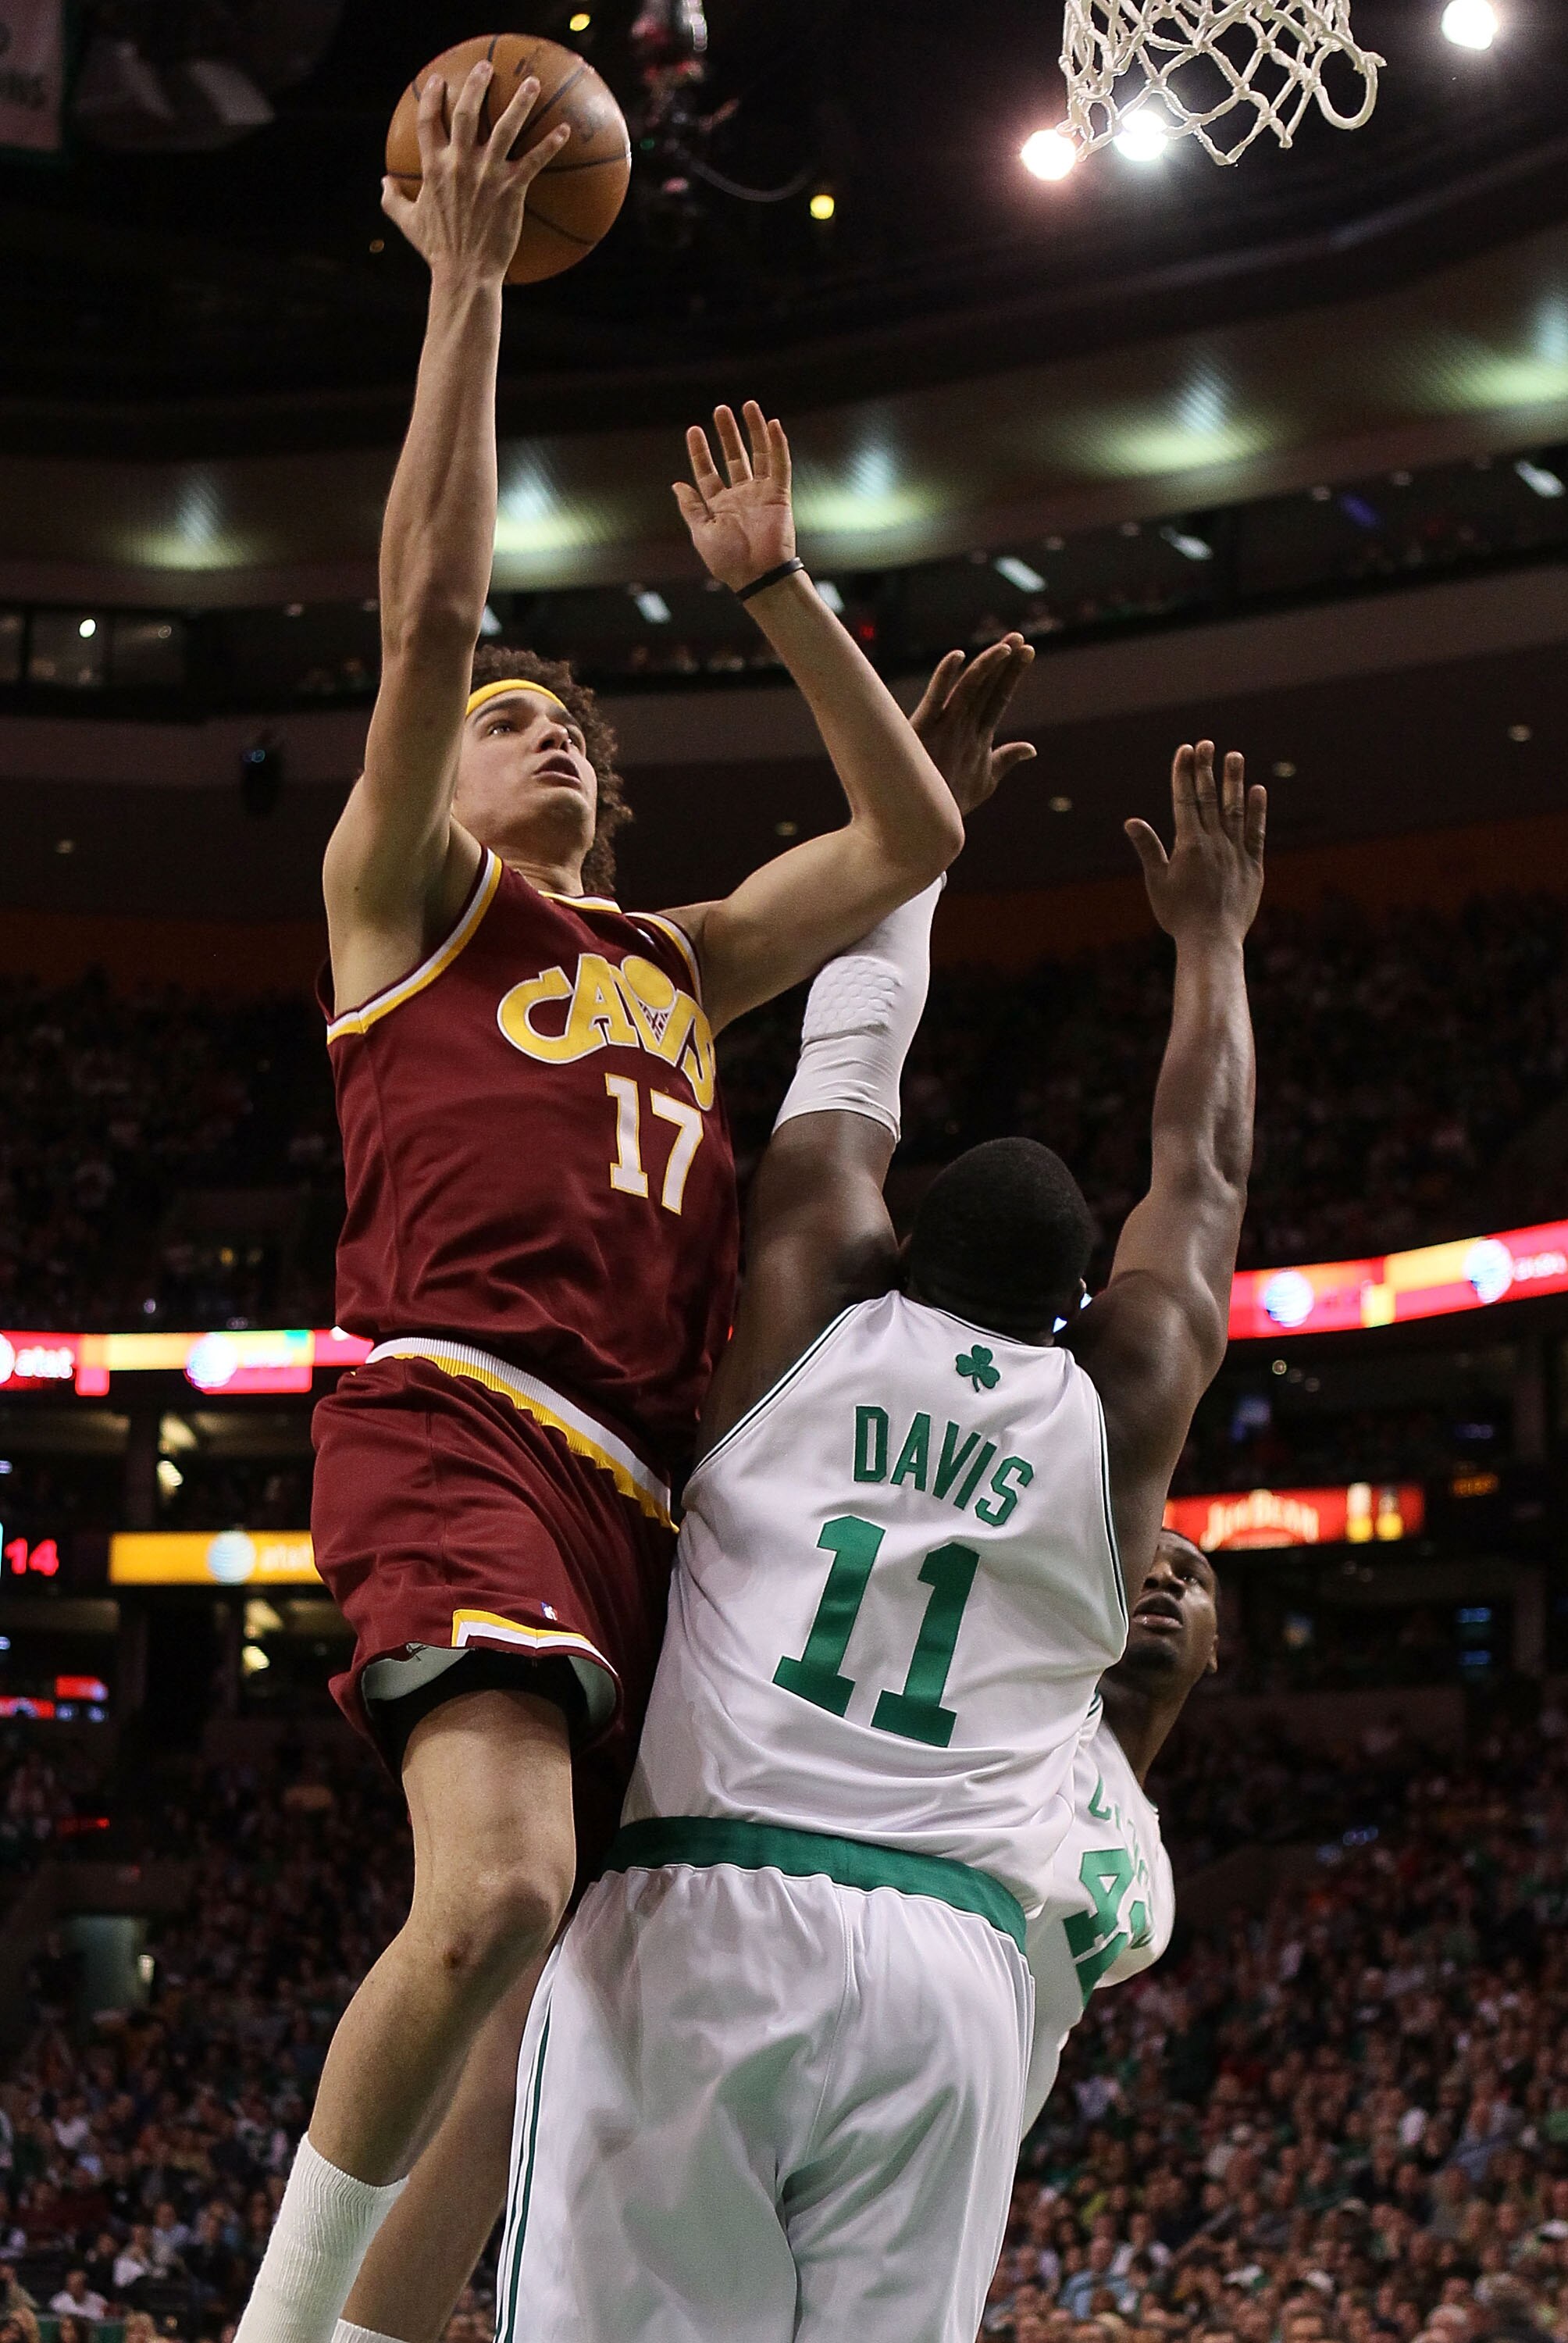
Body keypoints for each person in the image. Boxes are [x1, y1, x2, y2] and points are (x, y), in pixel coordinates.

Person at [237, 53, 1021, 2343]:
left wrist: (781, 595)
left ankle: (387, 2328)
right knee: (488, 1897)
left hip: (644, 1499)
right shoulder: (411, 909)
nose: (541, 727)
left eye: (572, 717)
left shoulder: (675, 961)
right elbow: (424, 607)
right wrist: (468, 289)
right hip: (456, 1411)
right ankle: (277, 2329)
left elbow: (907, 848)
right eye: (509, 717)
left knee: (553, 1983)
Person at [495, 738, 1266, 2342]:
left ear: (894, 1247)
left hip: (705, 1910)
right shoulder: (1114, 1415)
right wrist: (1213, 942)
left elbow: (853, 1053)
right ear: (1080, 1316)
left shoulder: (804, 1312)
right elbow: (1200, 1175)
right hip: (950, 1965)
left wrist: (917, 841)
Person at [1022, 1525, 1220, 2140]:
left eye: (1190, 1576)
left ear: (1216, 1647)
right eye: (1142, 1567)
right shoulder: (1045, 1713)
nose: (1163, 1580)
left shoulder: (1155, 1880)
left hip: (967, 2146)